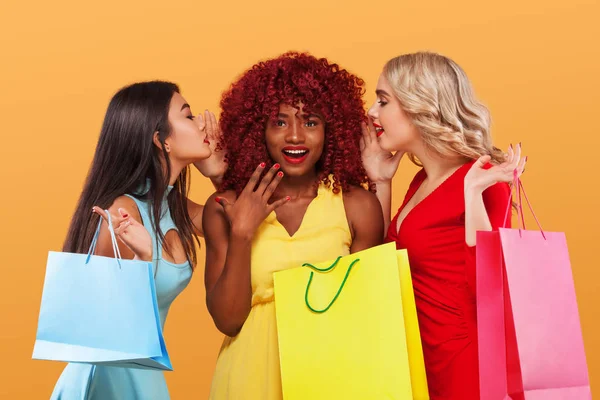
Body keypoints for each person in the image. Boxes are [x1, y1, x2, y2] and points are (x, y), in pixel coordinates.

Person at [203, 52, 384, 400]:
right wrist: (242, 232)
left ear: (332, 129)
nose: (296, 137)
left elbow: (368, 315)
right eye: (280, 122)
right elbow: (228, 321)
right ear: (259, 129)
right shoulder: (225, 207)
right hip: (248, 381)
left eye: (311, 122)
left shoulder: (357, 206)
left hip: (333, 379)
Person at [361, 52, 526, 399]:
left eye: (383, 100)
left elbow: (491, 291)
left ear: (419, 104)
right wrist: (380, 181)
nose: (372, 112)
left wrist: (474, 194)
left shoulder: (483, 180)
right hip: (421, 360)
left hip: (464, 366)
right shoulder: (420, 181)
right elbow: (381, 270)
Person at [51, 80, 225, 399]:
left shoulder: (173, 206)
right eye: (188, 116)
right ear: (161, 140)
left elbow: (242, 222)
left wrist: (216, 172)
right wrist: (140, 264)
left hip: (140, 369)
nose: (202, 121)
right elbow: (93, 322)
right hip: (107, 372)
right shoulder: (122, 211)